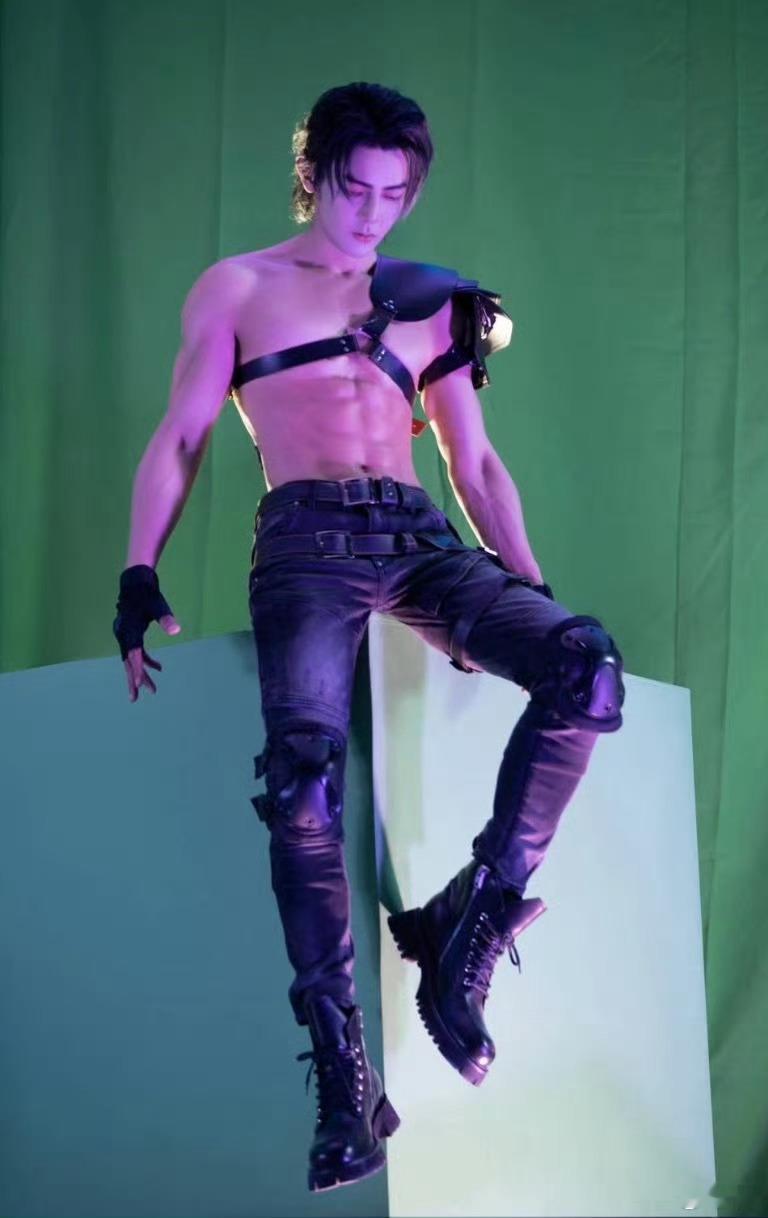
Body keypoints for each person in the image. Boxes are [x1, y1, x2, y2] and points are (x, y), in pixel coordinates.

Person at [112, 81, 625, 1194]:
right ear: (315, 177)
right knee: (302, 787)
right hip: (305, 543)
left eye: (396, 195)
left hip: (419, 538)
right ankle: (346, 1080)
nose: (374, 214)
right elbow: (185, 432)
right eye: (356, 189)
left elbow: (472, 461)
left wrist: (530, 593)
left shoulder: (430, 299)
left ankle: (470, 921)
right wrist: (140, 566)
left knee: (586, 669)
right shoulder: (240, 287)